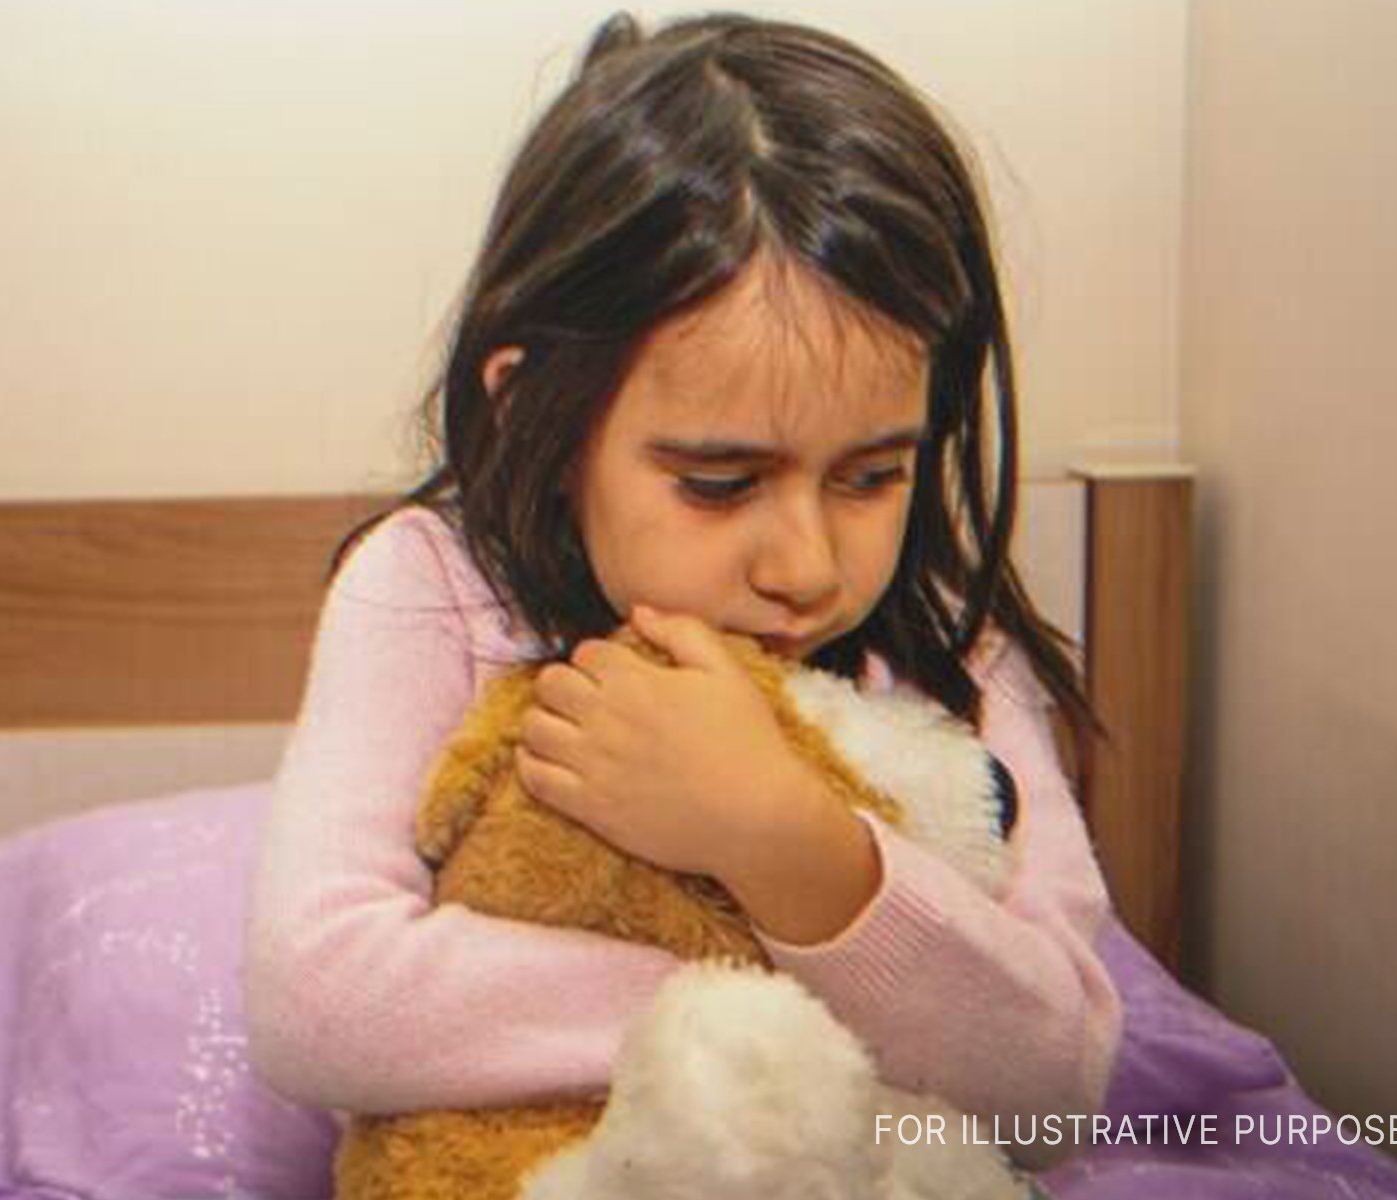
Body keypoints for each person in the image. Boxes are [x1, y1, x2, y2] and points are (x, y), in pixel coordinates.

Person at [243, 11, 1122, 1171]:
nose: (805, 567)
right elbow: (316, 1003)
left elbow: (1058, 1085)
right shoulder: (434, 594)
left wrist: (793, 846)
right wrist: (743, 1026)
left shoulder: (952, 655)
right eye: (719, 481)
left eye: (872, 475)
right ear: (536, 417)